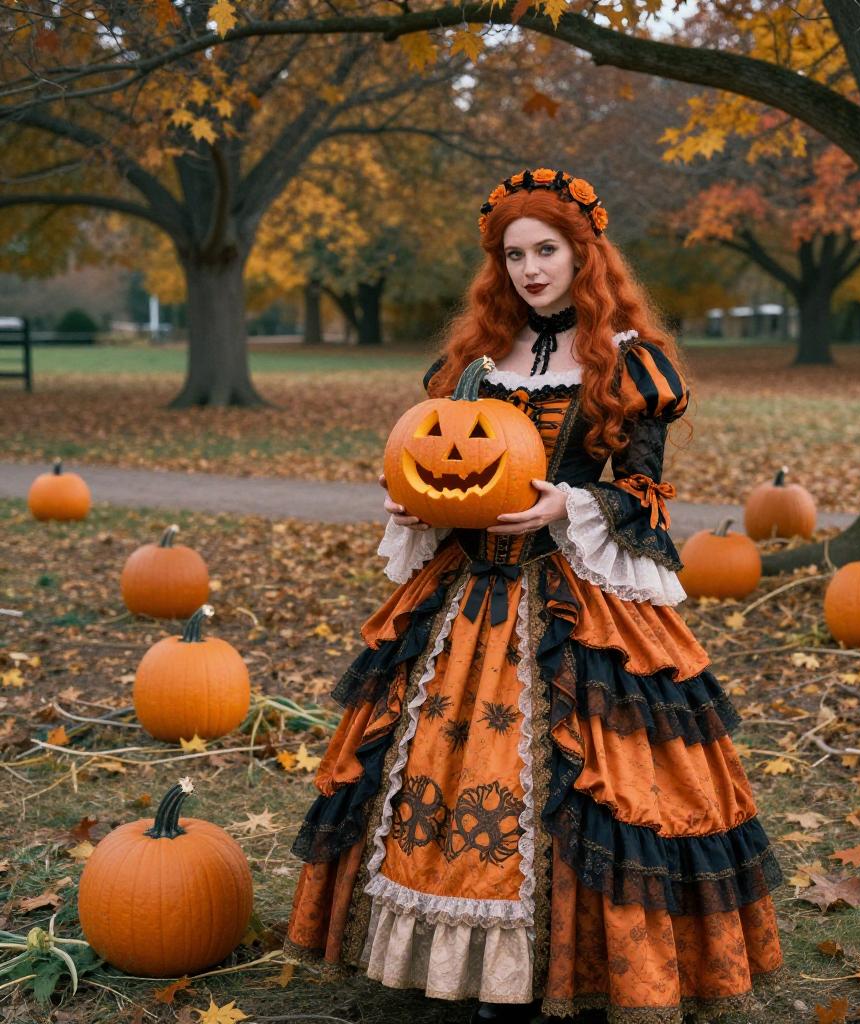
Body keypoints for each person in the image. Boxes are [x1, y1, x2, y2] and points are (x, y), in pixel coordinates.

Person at [284, 168, 783, 1023]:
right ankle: (459, 966)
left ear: (583, 254)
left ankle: (561, 971)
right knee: (422, 764)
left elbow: (646, 493)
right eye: (514, 254)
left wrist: (570, 504)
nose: (530, 268)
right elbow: (439, 462)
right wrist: (415, 507)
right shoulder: (472, 366)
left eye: (546, 250)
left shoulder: (630, 364)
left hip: (572, 602)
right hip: (466, 594)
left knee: (595, 782)